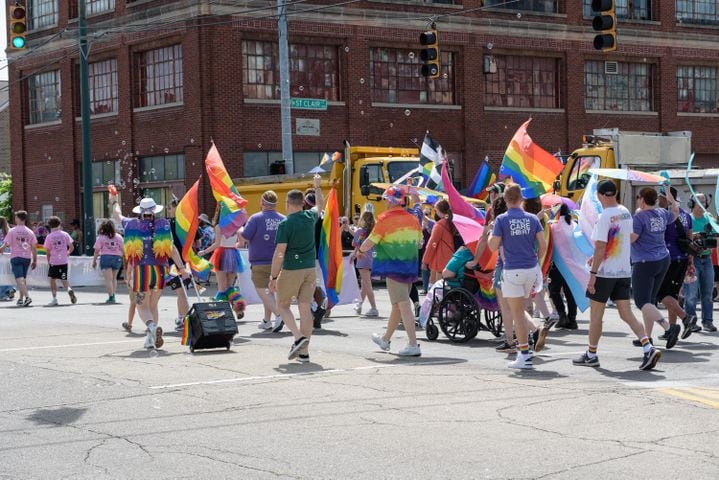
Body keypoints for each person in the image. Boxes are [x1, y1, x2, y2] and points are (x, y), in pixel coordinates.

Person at [574, 180, 661, 370]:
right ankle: (647, 347)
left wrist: (593, 273)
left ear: (601, 195)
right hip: (623, 270)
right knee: (626, 313)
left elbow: (600, 246)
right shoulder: (625, 212)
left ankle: (591, 354)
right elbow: (622, 239)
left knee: (596, 316)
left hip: (605, 272)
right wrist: (599, 256)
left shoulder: (604, 216)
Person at [111, 194, 189, 350]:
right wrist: (182, 269)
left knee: (141, 306)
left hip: (141, 271)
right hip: (160, 270)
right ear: (155, 211)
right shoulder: (164, 224)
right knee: (153, 305)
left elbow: (116, 215)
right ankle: (150, 339)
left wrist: (114, 200)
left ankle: (151, 327)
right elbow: (172, 249)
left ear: (140, 211)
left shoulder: (132, 224)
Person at [360, 185, 423, 357]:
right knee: (398, 306)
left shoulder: (385, 219)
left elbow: (370, 241)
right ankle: (385, 339)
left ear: (390, 200)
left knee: (403, 306)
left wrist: (360, 250)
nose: (385, 202)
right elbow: (420, 243)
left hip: (394, 268)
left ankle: (412, 344)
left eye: (386, 199)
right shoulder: (412, 219)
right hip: (409, 269)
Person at [488, 184, 547, 369]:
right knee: (521, 310)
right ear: (521, 199)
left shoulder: (501, 220)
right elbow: (543, 245)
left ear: (505, 200)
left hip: (512, 269)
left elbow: (492, 246)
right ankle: (529, 343)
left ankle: (524, 354)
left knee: (517, 314)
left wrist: (491, 232)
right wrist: (536, 260)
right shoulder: (532, 219)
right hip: (531, 268)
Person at [269, 174, 324, 363]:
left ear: (288, 203)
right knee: (304, 308)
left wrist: (273, 276)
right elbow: (321, 206)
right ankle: (304, 352)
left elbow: (279, 253)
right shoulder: (309, 217)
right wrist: (317, 186)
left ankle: (298, 338)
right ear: (302, 203)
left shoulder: (285, 224)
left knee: (282, 306)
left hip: (292, 268)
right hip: (310, 268)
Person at [630, 187, 681, 348]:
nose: (638, 200)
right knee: (650, 302)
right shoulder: (661, 213)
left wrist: (618, 232)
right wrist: (671, 198)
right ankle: (646, 337)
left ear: (643, 200)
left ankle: (668, 328)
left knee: (642, 302)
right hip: (662, 260)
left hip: (645, 262)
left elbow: (632, 238)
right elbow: (675, 212)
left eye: (639, 197)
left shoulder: (639, 217)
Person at [652, 187, 698, 341]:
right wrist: (690, 261)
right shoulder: (685, 215)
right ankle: (671, 330)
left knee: (661, 294)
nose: (659, 200)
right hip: (683, 259)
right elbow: (689, 238)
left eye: (661, 197)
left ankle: (686, 318)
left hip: (669, 259)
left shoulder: (665, 215)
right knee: (673, 294)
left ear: (668, 198)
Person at [241, 190, 285, 332]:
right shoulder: (283, 219)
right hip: (279, 261)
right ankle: (267, 320)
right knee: (270, 291)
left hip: (260, 262)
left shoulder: (255, 218)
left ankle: (280, 315)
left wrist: (238, 229)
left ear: (262, 202)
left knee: (263, 290)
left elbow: (245, 236)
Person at [198, 205, 248, 319]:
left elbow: (216, 245)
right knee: (230, 287)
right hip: (234, 254)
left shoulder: (219, 227)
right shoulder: (237, 227)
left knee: (221, 288)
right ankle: (238, 307)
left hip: (221, 255)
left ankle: (221, 312)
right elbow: (241, 243)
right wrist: (232, 246)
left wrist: (204, 251)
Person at [684, 193, 716, 332]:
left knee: (708, 293)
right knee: (691, 294)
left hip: (707, 258)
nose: (702, 204)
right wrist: (696, 236)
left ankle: (707, 321)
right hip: (692, 259)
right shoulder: (688, 219)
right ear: (691, 203)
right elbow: (685, 239)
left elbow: (715, 237)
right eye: (699, 201)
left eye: (704, 201)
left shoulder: (709, 218)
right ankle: (691, 321)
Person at [547, 204, 578, 330]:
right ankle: (572, 319)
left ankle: (562, 315)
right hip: (572, 264)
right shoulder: (574, 225)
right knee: (570, 292)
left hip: (557, 264)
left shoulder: (553, 226)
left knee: (553, 290)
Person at [165, 198, 193, 330]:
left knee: (181, 292)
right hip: (186, 261)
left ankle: (184, 319)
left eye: (170, 208)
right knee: (182, 291)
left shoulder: (169, 224)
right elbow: (198, 241)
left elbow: (168, 245)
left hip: (174, 263)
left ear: (177, 208)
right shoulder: (187, 222)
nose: (168, 211)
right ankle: (181, 317)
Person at [0, 210, 37, 306]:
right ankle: (20, 299)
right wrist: (35, 260)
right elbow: (34, 248)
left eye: (15, 217)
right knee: (23, 279)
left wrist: (2, 249)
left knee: (19, 279)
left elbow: (5, 245)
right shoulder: (30, 232)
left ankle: (27, 297)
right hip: (27, 258)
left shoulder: (12, 231)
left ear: (18, 218)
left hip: (16, 257)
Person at [422, 199, 460, 284]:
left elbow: (432, 244)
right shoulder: (452, 223)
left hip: (440, 261)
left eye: (436, 210)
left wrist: (425, 261)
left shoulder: (439, 225)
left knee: (437, 288)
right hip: (451, 259)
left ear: (440, 211)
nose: (435, 212)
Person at [43, 216, 77, 306]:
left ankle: (54, 299)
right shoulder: (65, 234)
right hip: (64, 261)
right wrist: (68, 253)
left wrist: (48, 261)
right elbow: (72, 247)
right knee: (64, 279)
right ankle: (69, 289)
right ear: (60, 224)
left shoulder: (49, 236)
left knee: (52, 280)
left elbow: (48, 251)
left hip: (54, 261)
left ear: (50, 226)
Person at [352, 210, 378, 317]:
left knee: (367, 284)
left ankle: (374, 308)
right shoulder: (375, 232)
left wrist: (354, 255)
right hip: (373, 259)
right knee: (364, 283)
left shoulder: (360, 231)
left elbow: (355, 244)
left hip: (362, 259)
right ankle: (359, 305)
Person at [92, 220, 124, 304]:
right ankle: (113, 295)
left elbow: (96, 250)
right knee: (114, 278)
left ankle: (111, 297)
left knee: (108, 280)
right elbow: (123, 249)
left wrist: (94, 261)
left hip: (106, 257)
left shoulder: (101, 237)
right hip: (117, 258)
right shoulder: (119, 236)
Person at [0, 217, 16, 301]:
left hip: (1, 255)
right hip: (9, 254)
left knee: (2, 274)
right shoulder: (10, 231)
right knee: (9, 272)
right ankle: (10, 288)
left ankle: (3, 293)